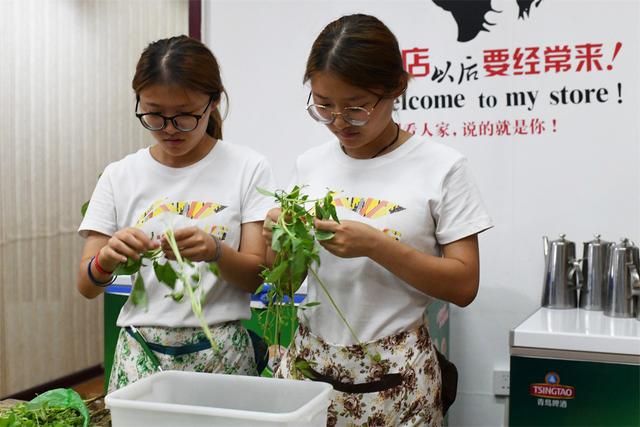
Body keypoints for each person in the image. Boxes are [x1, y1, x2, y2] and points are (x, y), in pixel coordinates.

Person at [263, 14, 492, 426]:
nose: (338, 122)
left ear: (397, 89)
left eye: (356, 108)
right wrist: (279, 241)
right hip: (311, 369)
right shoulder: (310, 165)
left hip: (397, 378)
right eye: (323, 106)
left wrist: (376, 246)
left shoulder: (441, 167)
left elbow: (464, 285)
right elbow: (286, 282)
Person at [77, 35, 275, 392]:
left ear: (213, 103)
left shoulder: (248, 167)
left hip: (221, 356)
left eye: (184, 116)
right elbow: (86, 285)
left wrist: (216, 252)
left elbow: (254, 277)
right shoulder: (120, 174)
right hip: (141, 356)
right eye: (153, 114)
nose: (168, 129)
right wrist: (106, 260)